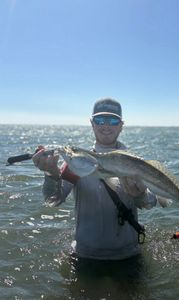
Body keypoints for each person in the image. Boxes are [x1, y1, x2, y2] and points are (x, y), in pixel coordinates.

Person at [32, 98, 159, 269]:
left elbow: (151, 202)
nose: (106, 125)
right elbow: (53, 200)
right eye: (100, 120)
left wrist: (140, 195)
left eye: (113, 120)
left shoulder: (133, 161)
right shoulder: (76, 161)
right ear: (92, 123)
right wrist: (51, 174)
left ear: (121, 125)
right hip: (84, 256)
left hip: (128, 255)